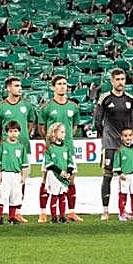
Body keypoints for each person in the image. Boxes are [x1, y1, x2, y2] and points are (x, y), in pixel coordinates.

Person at [0, 76, 36, 223]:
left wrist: (21, 140)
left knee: (21, 181)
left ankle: (17, 212)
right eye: (16, 86)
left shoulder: (27, 106)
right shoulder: (1, 107)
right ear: (8, 88)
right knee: (1, 182)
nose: (19, 88)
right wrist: (5, 146)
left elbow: (30, 123)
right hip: (7, 152)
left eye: (20, 86)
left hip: (24, 149)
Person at [94, 68, 133, 221]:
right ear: (112, 81)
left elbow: (132, 122)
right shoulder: (105, 98)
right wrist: (107, 135)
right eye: (117, 79)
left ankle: (125, 211)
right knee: (107, 176)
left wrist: (127, 138)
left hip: (126, 146)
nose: (120, 82)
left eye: (122, 79)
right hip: (110, 145)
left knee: (127, 177)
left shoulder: (130, 99)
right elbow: (97, 122)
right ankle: (105, 211)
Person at [38, 74, 82, 222]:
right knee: (46, 180)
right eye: (59, 84)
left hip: (68, 149)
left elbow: (74, 126)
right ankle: (43, 212)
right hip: (52, 151)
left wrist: (66, 139)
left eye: (64, 83)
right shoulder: (47, 107)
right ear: (53, 87)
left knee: (71, 179)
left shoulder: (73, 107)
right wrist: (50, 143)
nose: (63, 86)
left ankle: (71, 212)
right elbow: (41, 128)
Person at [0, 121, 30, 224]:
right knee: (2, 196)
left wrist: (23, 176)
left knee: (15, 196)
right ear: (7, 133)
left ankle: (12, 217)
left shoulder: (21, 147)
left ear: (19, 132)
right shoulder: (2, 145)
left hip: (16, 175)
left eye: (15, 131)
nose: (13, 133)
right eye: (11, 131)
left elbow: (24, 163)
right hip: (5, 174)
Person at [42, 121, 76, 224]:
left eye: (64, 132)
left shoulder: (66, 148)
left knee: (62, 195)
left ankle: (62, 216)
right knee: (54, 195)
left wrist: (68, 172)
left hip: (64, 176)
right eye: (62, 132)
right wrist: (60, 172)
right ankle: (53, 217)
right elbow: (49, 164)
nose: (64, 134)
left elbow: (70, 162)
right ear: (54, 133)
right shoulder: (49, 148)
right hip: (53, 175)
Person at [111, 127, 133, 221]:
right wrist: (120, 173)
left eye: (130, 135)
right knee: (123, 195)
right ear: (122, 137)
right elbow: (116, 163)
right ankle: (122, 213)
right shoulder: (119, 150)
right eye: (125, 136)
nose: (128, 138)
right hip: (124, 176)